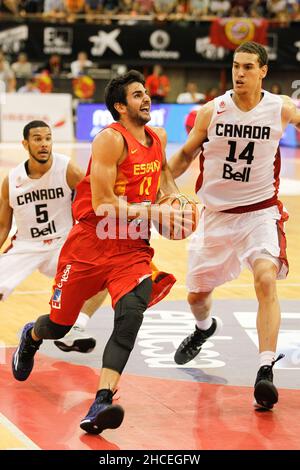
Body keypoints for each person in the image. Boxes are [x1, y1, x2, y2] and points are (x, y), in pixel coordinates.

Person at [11, 70, 189, 434]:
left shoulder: (158, 136)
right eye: (137, 95)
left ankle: (102, 401)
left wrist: (174, 199)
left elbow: (164, 174)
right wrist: (154, 211)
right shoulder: (109, 140)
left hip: (132, 247)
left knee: (131, 315)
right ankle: (30, 336)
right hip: (90, 243)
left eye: (145, 93)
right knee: (58, 325)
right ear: (121, 107)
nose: (146, 99)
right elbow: (105, 203)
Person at [169, 41, 300, 410]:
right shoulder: (214, 111)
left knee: (265, 278)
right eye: (235, 66)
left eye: (247, 67)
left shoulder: (281, 108)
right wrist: (160, 187)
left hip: (260, 214)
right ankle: (205, 327)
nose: (239, 73)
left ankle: (264, 370)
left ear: (263, 71)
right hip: (215, 218)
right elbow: (183, 156)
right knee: (196, 294)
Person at [0, 120, 106, 353]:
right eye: (37, 139)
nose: (44, 144)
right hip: (26, 245)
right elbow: (2, 226)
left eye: (48, 138)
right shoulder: (12, 180)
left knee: (103, 275)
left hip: (63, 242)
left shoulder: (67, 169)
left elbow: (96, 199)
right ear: (25, 143)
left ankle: (77, 327)